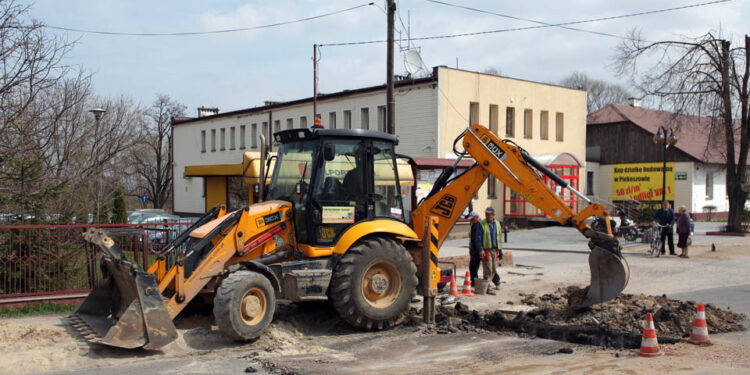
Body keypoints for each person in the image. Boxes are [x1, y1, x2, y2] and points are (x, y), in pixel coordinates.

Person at [474, 206, 502, 295]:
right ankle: (487, 287)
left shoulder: (497, 224)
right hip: (486, 250)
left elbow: (499, 238)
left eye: (488, 214)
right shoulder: (482, 224)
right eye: (486, 214)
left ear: (493, 215)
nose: (486, 216)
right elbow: (478, 238)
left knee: (493, 268)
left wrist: (500, 250)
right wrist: (480, 249)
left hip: (495, 250)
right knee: (488, 269)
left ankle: (488, 285)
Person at [467, 211, 482, 287]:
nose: (471, 221)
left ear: (476, 217)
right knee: (472, 267)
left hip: (481, 249)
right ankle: (474, 282)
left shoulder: (482, 224)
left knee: (488, 267)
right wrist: (471, 249)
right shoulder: (473, 226)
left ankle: (496, 281)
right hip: (474, 250)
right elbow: (471, 239)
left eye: (472, 219)